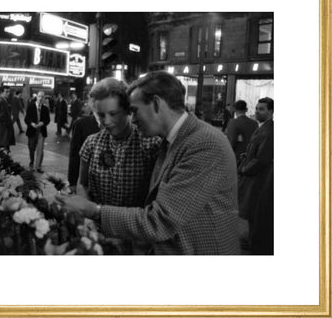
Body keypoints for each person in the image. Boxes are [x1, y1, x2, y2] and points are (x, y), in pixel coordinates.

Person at [58, 72, 241, 255]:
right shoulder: (171, 140)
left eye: (134, 111)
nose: (134, 120)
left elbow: (161, 221)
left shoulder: (203, 143)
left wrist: (94, 211)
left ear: (156, 103)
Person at [76, 78, 161, 208]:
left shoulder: (150, 144)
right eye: (101, 115)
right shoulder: (91, 143)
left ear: (127, 110)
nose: (107, 121)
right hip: (96, 224)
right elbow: (82, 184)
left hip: (135, 224)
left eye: (113, 114)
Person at [237, 97, 274, 255]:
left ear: (271, 112)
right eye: (257, 108)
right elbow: (256, 151)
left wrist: (244, 169)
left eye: (262, 109)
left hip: (259, 178)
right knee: (253, 209)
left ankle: (256, 243)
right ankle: (252, 239)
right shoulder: (262, 127)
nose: (257, 111)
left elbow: (262, 158)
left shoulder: (270, 130)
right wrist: (247, 155)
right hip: (254, 175)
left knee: (257, 209)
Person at [67, 100, 101, 192]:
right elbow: (75, 154)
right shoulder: (81, 124)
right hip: (87, 182)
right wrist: (73, 182)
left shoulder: (114, 125)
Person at [24, 91, 50, 173]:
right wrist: (31, 123)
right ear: (36, 97)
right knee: (31, 148)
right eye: (39, 96)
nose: (41, 98)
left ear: (44, 98)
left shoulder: (45, 109)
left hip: (41, 132)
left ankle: (38, 166)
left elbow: (48, 120)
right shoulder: (31, 106)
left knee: (40, 150)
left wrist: (42, 123)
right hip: (32, 131)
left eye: (42, 97)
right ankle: (31, 163)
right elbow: (26, 119)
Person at [0, 85, 15, 149]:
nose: (8, 93)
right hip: (3, 132)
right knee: (4, 152)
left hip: (0, 131)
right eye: (6, 92)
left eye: (9, 91)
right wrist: (9, 121)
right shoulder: (1, 101)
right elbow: (1, 116)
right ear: (1, 92)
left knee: (1, 151)